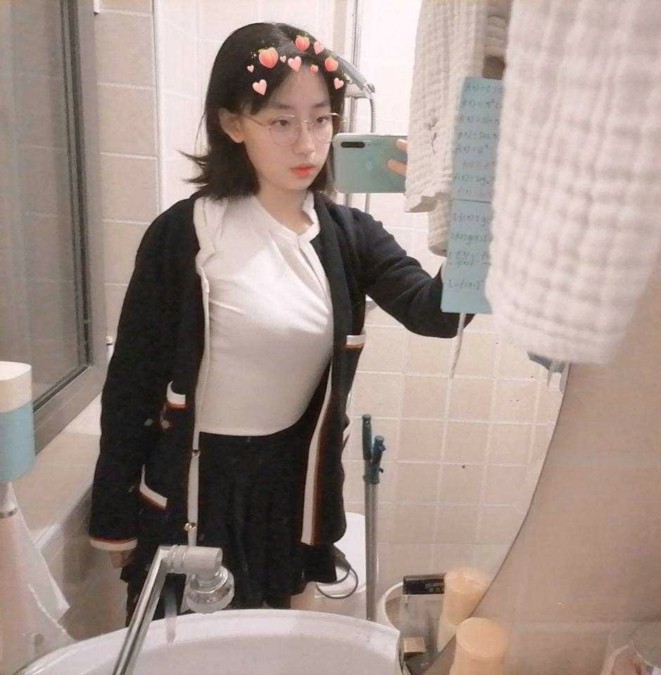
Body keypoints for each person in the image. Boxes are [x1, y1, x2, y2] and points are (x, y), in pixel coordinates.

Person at [88, 22, 462, 621]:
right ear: (233, 124)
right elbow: (131, 380)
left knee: (271, 644)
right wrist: (113, 518)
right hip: (195, 479)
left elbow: (437, 316)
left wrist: (469, 213)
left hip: (290, 486)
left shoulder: (350, 236)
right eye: (282, 121)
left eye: (322, 119)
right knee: (179, 647)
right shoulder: (185, 234)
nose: (308, 145)